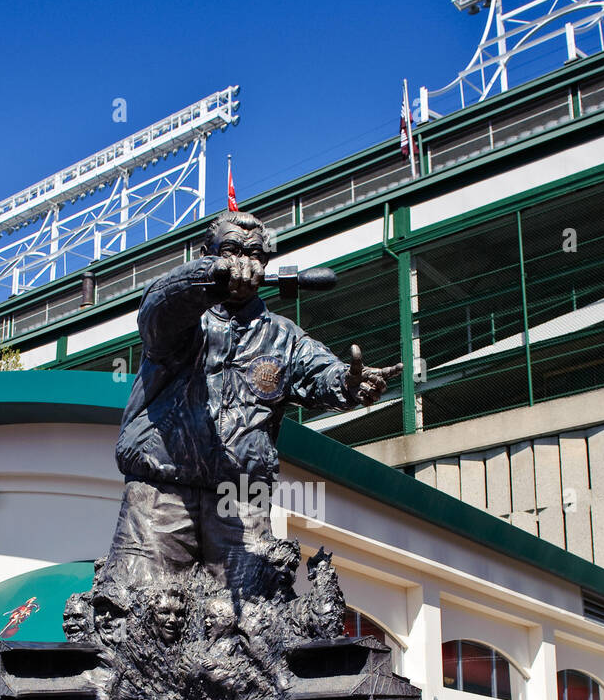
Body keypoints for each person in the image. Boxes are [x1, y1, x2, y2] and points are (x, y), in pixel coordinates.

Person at [98, 210, 400, 598]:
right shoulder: (182, 315)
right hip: (161, 489)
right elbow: (158, 308)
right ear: (206, 253)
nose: (244, 261)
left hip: (240, 495)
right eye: (230, 250)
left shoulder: (282, 336)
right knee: (136, 606)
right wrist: (208, 276)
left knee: (256, 616)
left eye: (255, 253)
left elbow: (322, 373)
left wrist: (348, 383)